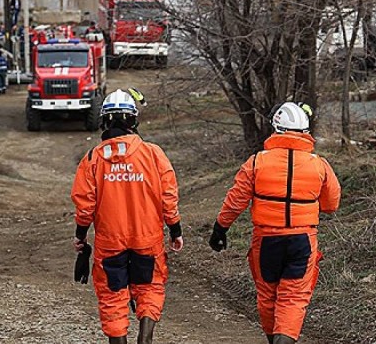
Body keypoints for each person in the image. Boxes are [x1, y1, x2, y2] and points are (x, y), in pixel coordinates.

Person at [209, 102, 341, 344]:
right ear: (304, 130)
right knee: (293, 298)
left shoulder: (257, 162)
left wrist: (220, 228)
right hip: (303, 240)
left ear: (276, 128)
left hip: (267, 240)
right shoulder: (319, 164)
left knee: (268, 297)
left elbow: (236, 199)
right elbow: (331, 204)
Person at [71, 89, 183, 344]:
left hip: (110, 242)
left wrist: (80, 237)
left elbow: (84, 205)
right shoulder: (154, 154)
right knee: (150, 288)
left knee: (113, 296)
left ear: (104, 121)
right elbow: (169, 196)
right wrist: (175, 229)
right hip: (148, 239)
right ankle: (145, 337)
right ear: (133, 121)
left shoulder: (92, 158)